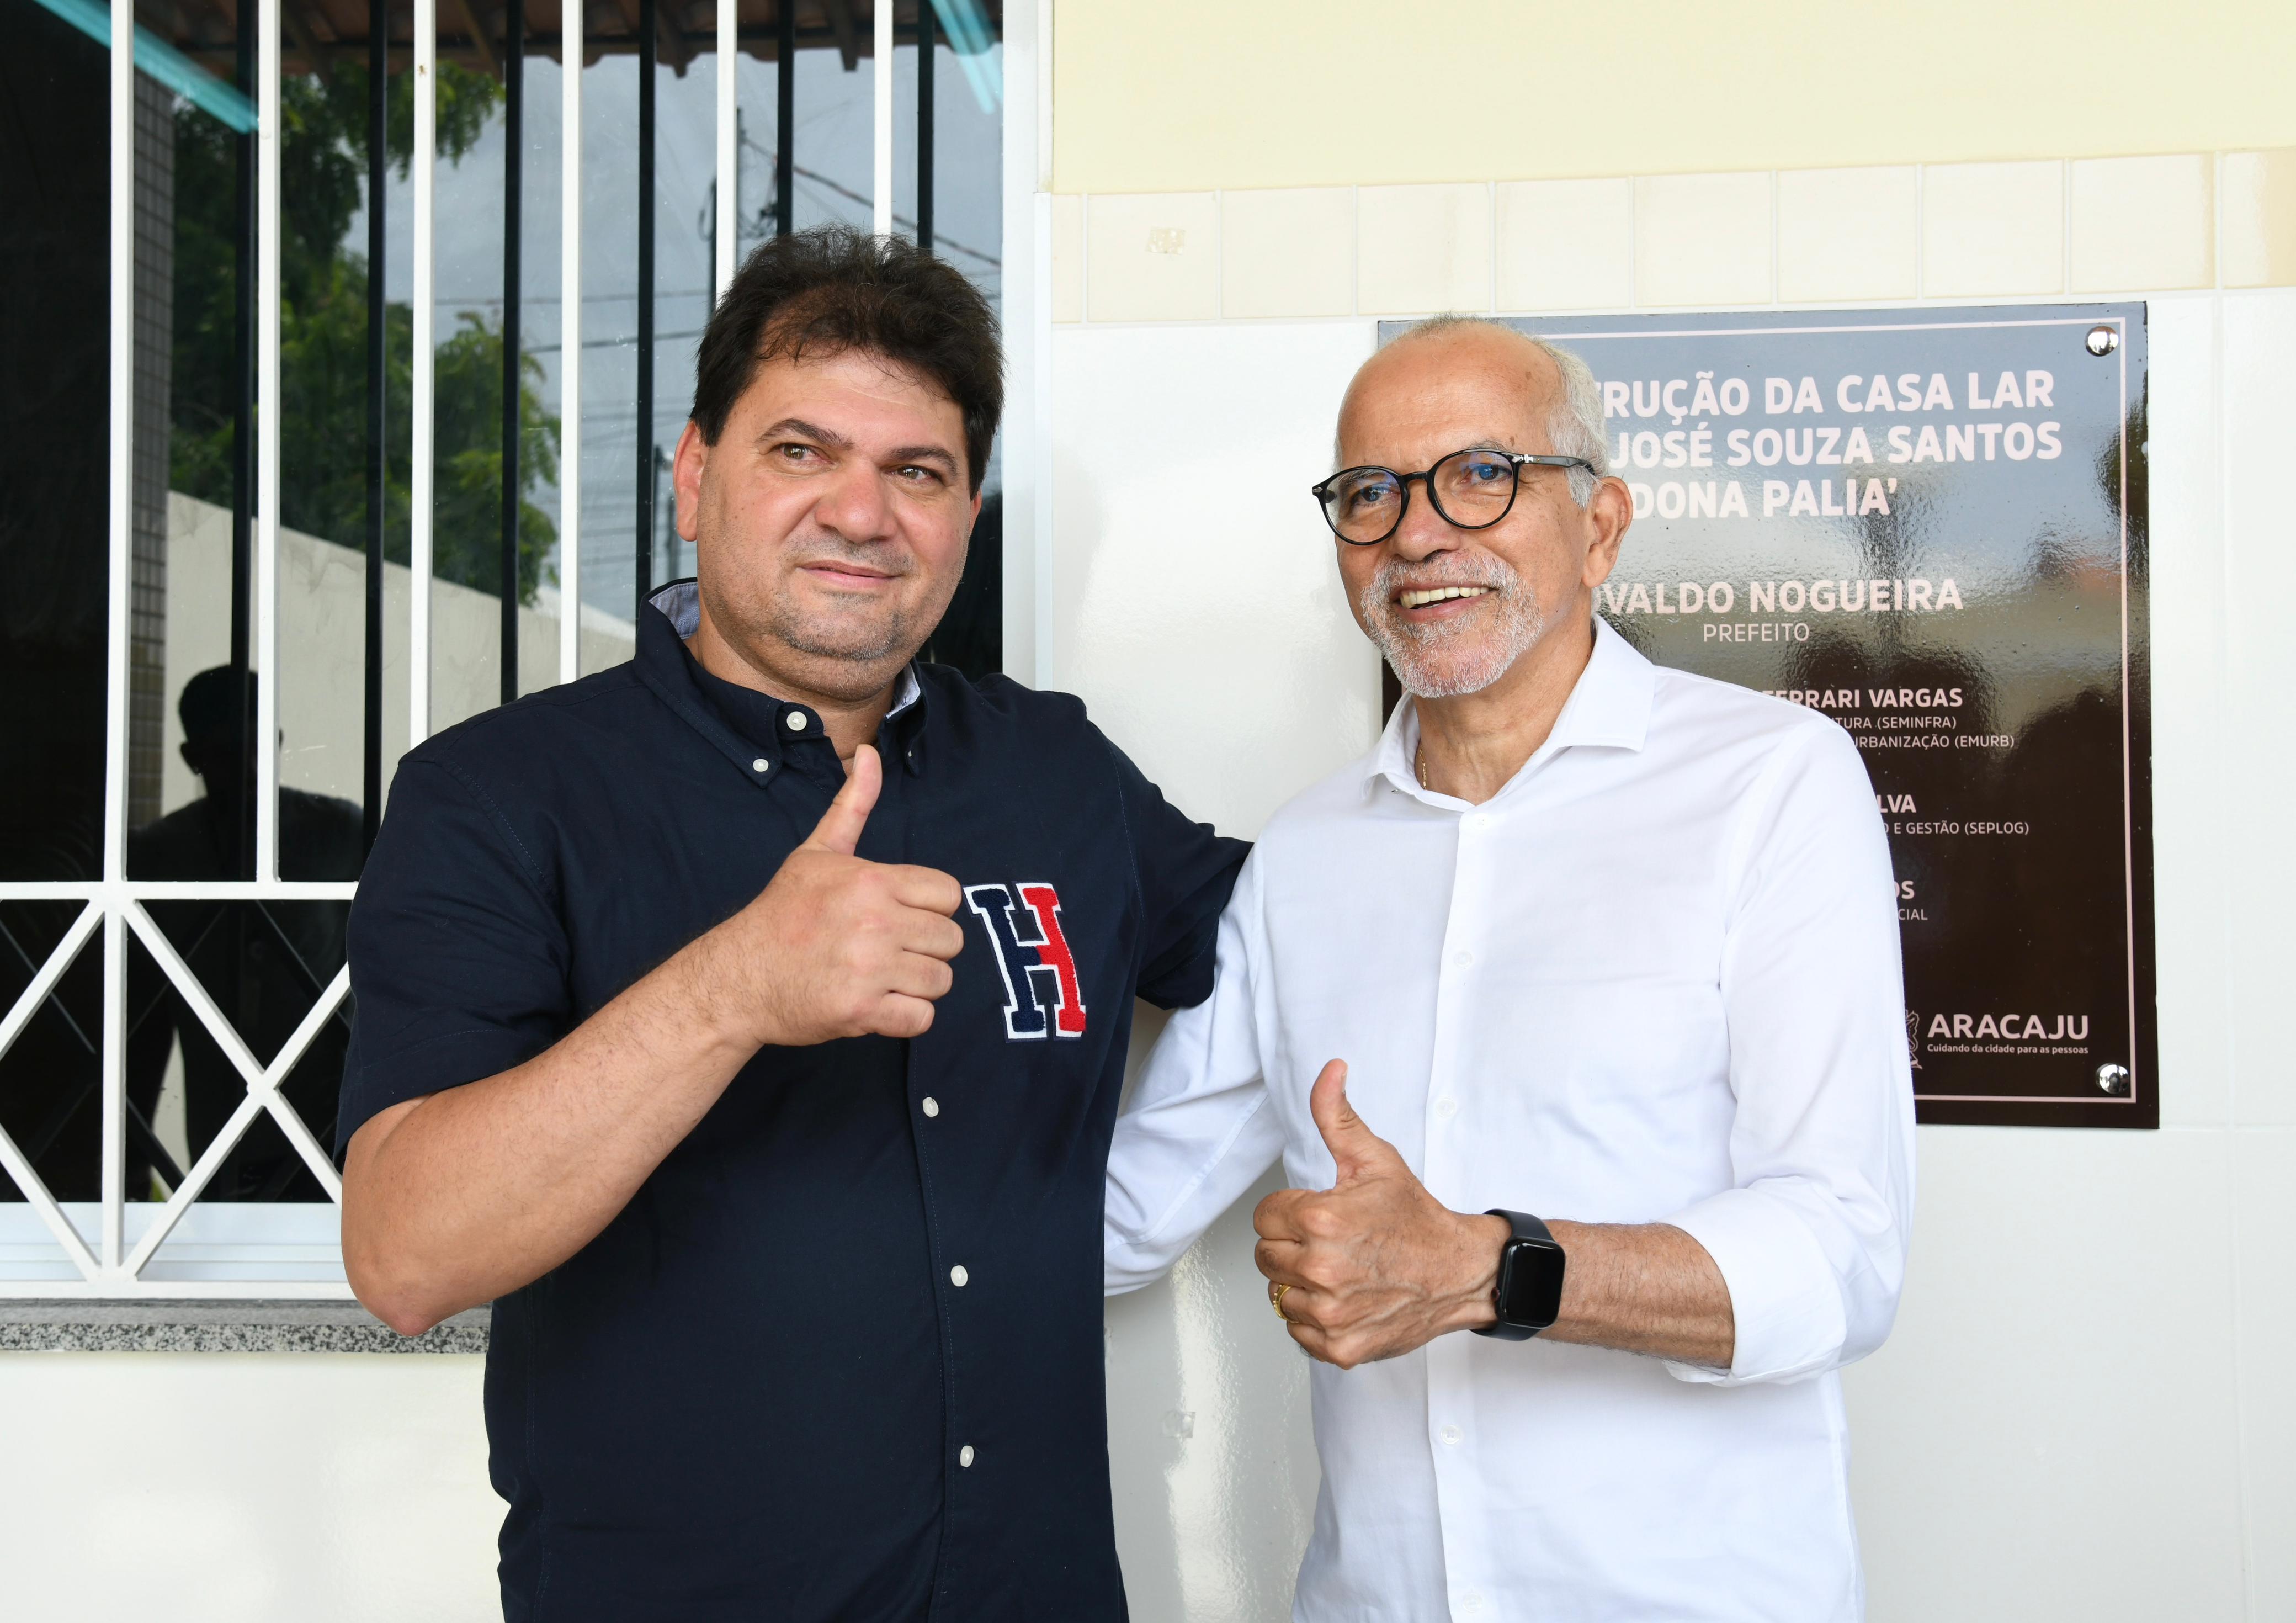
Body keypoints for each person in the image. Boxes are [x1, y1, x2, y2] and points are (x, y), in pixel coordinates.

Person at [338, 227, 1246, 1621]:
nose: (862, 514)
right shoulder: (500, 795)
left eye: (917, 473)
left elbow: (1306, 935)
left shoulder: (1058, 774)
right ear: (696, 479)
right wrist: (729, 993)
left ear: (968, 513)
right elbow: (406, 1256)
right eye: (802, 453)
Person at [1104, 318, 1915, 1620]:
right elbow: (1122, 1216)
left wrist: (1493, 1268)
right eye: (1369, 494)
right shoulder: (1308, 855)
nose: (1418, 535)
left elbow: (1841, 1256)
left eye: (1479, 474)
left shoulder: (1770, 785)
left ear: (1599, 528)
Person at [127, 665, 363, 1200]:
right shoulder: (157, 856)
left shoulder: (342, 835)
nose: (249, 767)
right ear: (194, 758)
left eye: (257, 745)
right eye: (228, 753)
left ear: (277, 741)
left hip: (336, 1141)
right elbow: (142, 1022)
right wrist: (132, 1162)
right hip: (221, 1148)